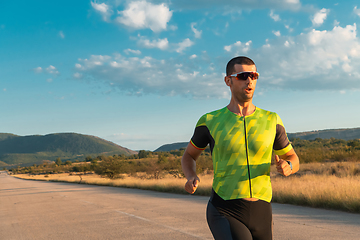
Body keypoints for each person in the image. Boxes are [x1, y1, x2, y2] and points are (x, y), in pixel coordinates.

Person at [181, 56, 299, 240]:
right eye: (243, 75)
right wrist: (190, 176)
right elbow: (189, 155)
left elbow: (292, 157)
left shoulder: (271, 120)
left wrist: (289, 166)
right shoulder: (210, 121)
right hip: (225, 209)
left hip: (262, 209)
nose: (249, 80)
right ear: (228, 80)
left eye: (254, 75)